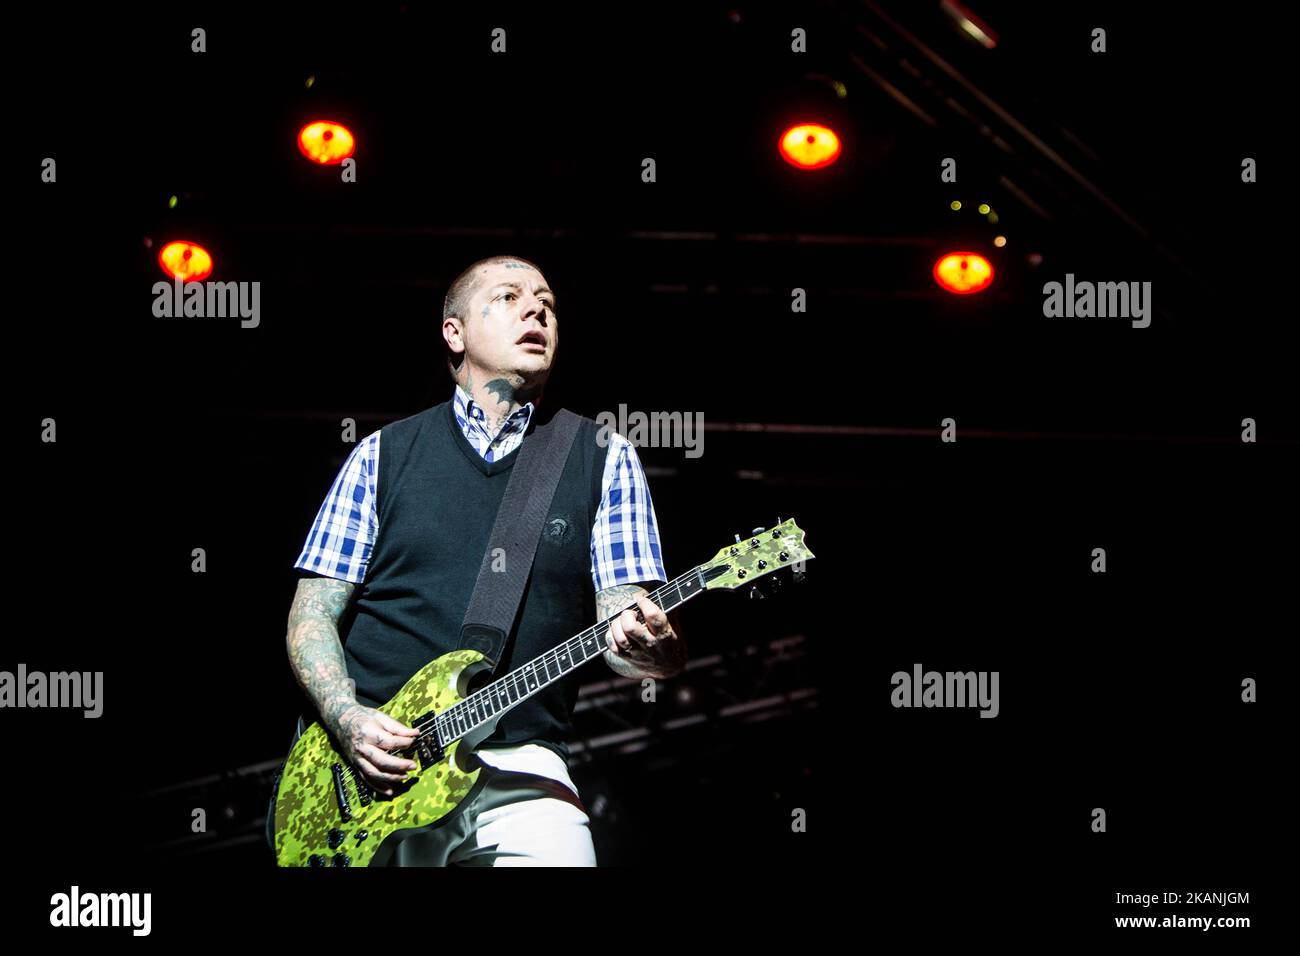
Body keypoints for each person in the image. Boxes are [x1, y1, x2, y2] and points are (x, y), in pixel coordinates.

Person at [281, 254, 685, 865]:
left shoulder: (603, 455)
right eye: (508, 297)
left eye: (547, 302)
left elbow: (622, 634)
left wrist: (653, 652)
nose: (536, 310)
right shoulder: (381, 455)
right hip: (378, 775)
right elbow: (311, 616)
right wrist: (346, 718)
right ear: (455, 332)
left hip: (525, 770)